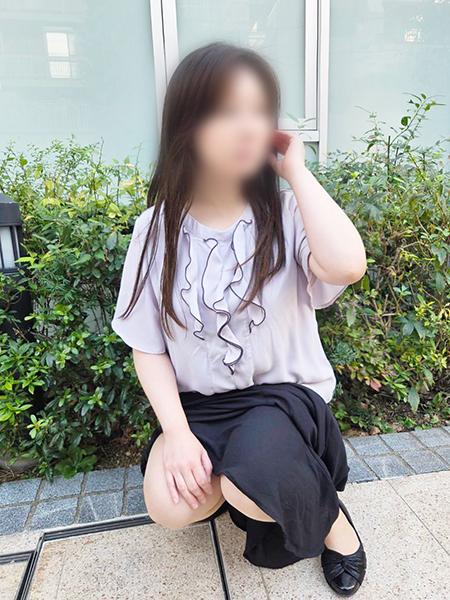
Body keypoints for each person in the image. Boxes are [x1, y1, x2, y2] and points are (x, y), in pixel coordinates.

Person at [112, 43, 367, 596]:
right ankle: (265, 480)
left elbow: (348, 265)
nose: (248, 126)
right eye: (228, 111)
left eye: (259, 111)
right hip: (204, 406)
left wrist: (297, 173)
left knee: (250, 487)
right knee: (169, 504)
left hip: (282, 399)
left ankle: (332, 522)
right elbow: (147, 345)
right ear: (188, 124)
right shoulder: (156, 228)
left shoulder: (288, 213)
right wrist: (178, 434)